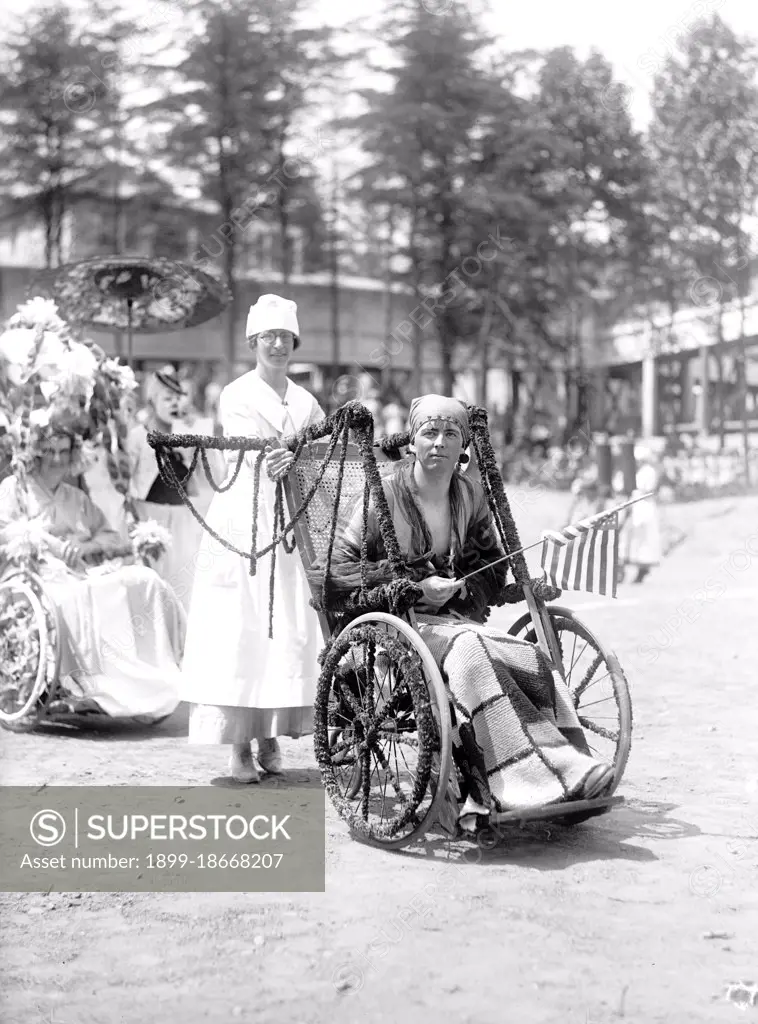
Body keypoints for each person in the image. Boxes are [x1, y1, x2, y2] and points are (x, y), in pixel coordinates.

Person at [327, 395, 615, 830]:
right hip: (399, 623)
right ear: (412, 441)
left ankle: (568, 766)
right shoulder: (384, 492)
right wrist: (413, 587)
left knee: (525, 653)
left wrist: (464, 588)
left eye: (450, 434)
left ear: (463, 444)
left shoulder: (468, 496)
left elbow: (489, 563)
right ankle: (512, 782)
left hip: (453, 622)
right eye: (429, 432)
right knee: (471, 651)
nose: (439, 443)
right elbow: (339, 567)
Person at [180, 294, 325, 783]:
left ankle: (270, 733)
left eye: (285, 337)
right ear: (253, 342)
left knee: (285, 628)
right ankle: (239, 745)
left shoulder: (306, 401)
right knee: (242, 628)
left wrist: (299, 460)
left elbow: (320, 455)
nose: (278, 345)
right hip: (244, 520)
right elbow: (244, 454)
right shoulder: (236, 394)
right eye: (268, 337)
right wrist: (274, 459)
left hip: (291, 522)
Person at [0, 429, 183, 720]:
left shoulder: (76, 497)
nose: (56, 459)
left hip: (80, 571)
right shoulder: (15, 488)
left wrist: (85, 545)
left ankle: (148, 679)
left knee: (142, 581)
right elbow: (6, 530)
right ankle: (90, 686)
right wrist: (51, 545)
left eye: (63, 451)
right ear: (36, 453)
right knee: (78, 598)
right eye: (49, 451)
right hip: (38, 575)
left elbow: (110, 536)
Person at [127, 366, 205, 613]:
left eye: (177, 398)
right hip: (150, 519)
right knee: (152, 583)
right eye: (166, 398)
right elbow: (126, 482)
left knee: (185, 585)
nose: (173, 403)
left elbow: (206, 480)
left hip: (182, 521)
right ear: (152, 401)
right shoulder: (138, 436)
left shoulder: (187, 436)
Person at [620, 443, 663, 584]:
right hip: (636, 507)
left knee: (645, 539)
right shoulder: (637, 472)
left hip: (645, 507)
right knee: (634, 539)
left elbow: (647, 490)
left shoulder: (649, 471)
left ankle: (643, 569)